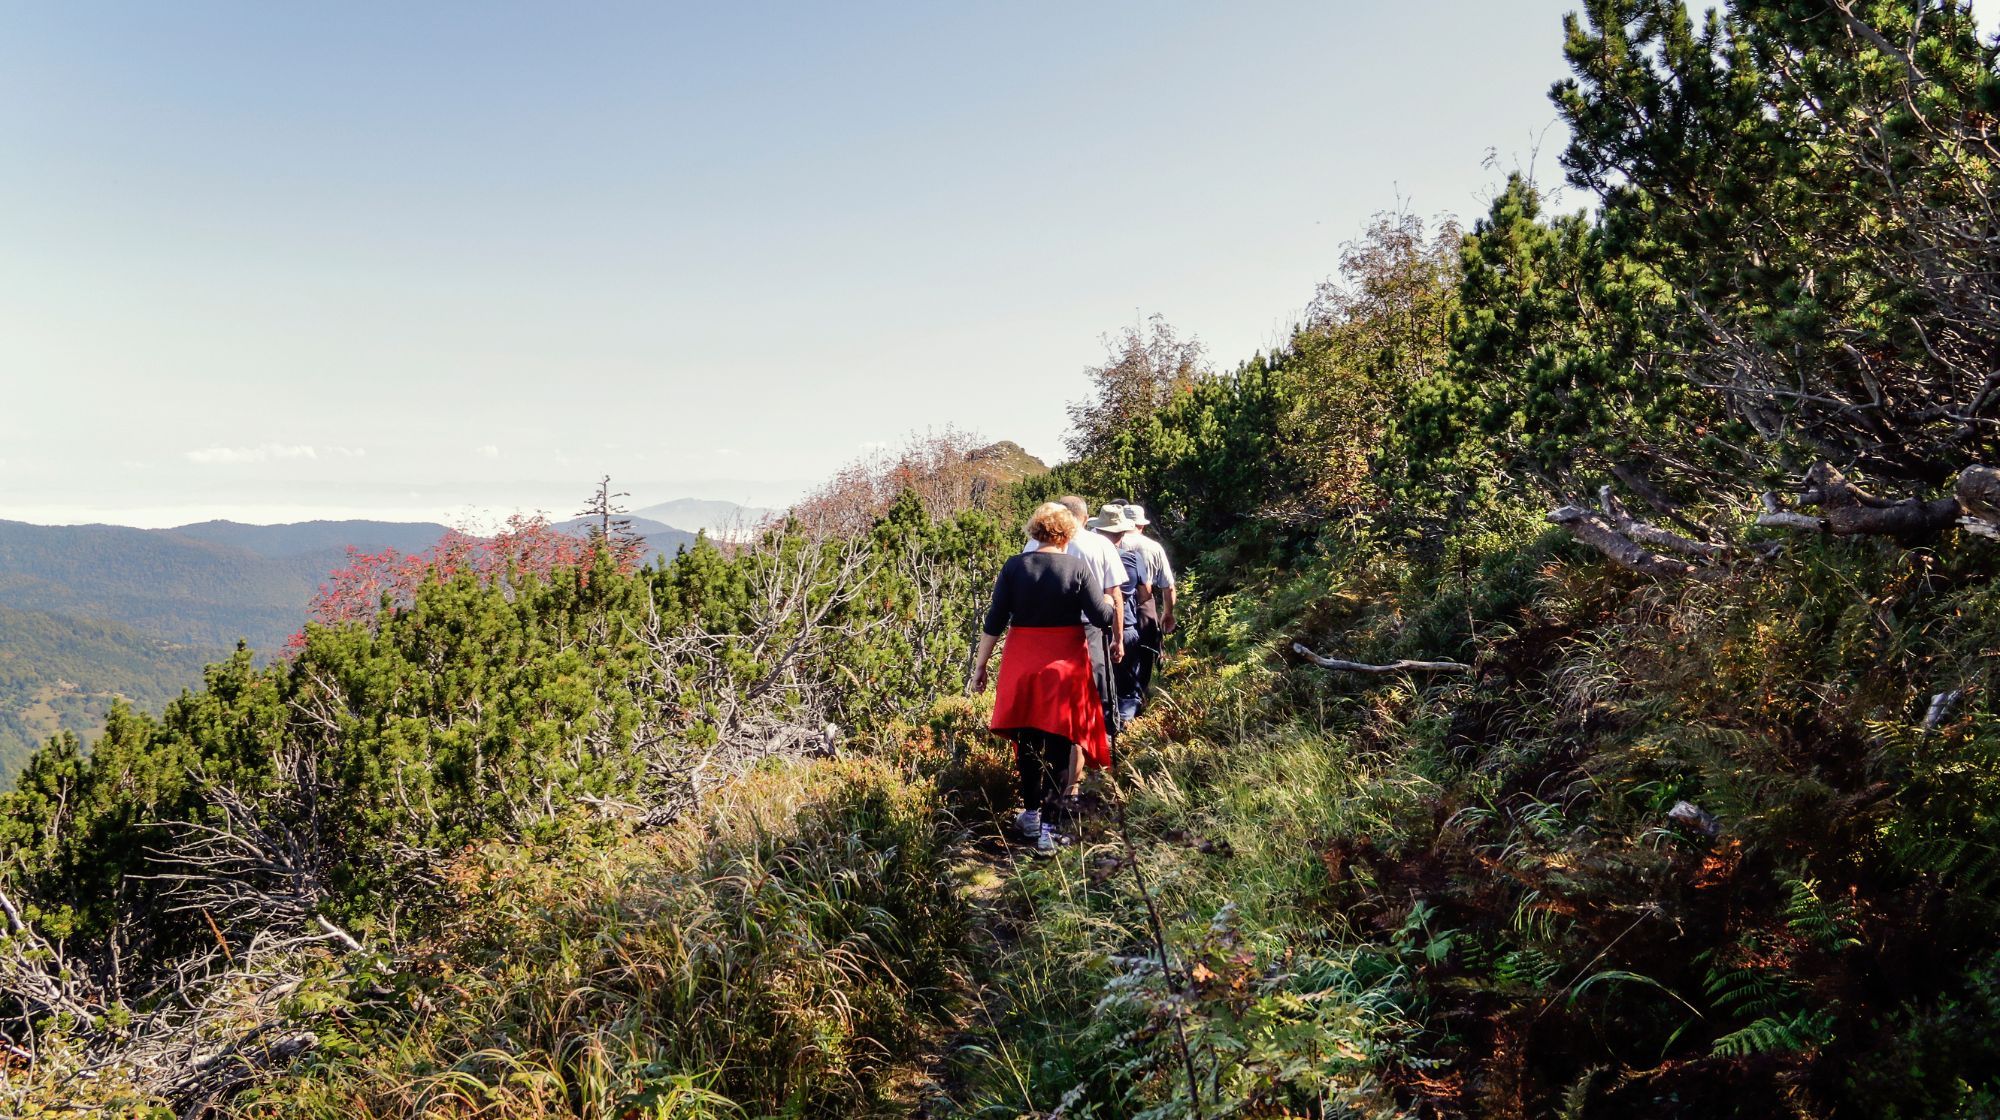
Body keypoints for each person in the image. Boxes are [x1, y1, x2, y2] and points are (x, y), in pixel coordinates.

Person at [974, 502, 1116, 853]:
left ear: (1035, 533)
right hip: (1064, 662)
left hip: (1022, 660)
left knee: (1026, 740)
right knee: (1060, 741)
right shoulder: (1077, 567)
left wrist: (980, 665)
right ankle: (1050, 829)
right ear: (1068, 533)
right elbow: (1100, 618)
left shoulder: (1014, 567)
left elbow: (994, 621)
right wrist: (1113, 605)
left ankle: (1032, 812)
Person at [1023, 494, 1123, 797]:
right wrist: (1118, 639)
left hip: (1045, 635)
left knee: (1052, 711)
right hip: (1090, 630)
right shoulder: (1100, 544)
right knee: (1088, 704)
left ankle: (1050, 784)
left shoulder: (1032, 546)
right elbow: (1114, 595)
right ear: (1084, 517)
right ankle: (1075, 784)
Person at [1088, 503, 1152, 727]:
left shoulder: (1086, 558)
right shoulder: (1132, 558)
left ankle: (1101, 730)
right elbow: (1145, 593)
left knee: (1101, 685)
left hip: (1094, 631)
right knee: (1127, 684)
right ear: (1122, 532)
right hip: (1125, 627)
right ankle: (1123, 728)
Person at [1119, 503, 1175, 708]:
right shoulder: (1153, 547)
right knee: (1144, 655)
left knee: (1120, 658)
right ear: (1141, 525)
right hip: (1145, 606)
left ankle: (1121, 705)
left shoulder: (1111, 544)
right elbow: (1168, 587)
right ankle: (1139, 700)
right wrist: (1168, 613)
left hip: (1118, 607)